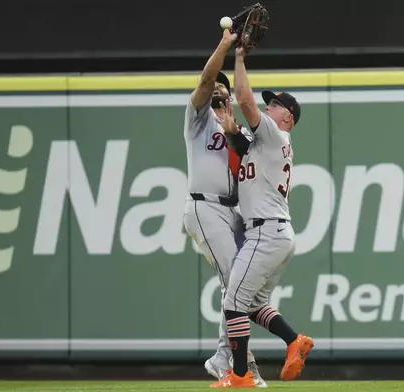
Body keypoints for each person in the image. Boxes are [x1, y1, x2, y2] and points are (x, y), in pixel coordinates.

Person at [209, 46, 314, 389]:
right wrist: (229, 126)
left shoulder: (274, 133)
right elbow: (240, 140)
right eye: (269, 103)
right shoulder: (264, 142)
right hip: (277, 234)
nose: (269, 106)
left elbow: (245, 98)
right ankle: (294, 341)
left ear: (288, 118)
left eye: (275, 104)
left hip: (265, 233)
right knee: (252, 305)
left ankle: (240, 375)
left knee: (233, 301)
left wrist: (238, 59)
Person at [181, 28, 267, 387]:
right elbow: (204, 79)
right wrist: (225, 46)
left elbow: (251, 169)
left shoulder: (239, 131)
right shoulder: (198, 120)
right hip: (204, 207)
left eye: (222, 91)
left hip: (233, 213)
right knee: (234, 278)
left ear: (230, 97)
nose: (215, 92)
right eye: (212, 91)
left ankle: (226, 356)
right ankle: (232, 357)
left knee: (241, 284)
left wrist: (235, 133)